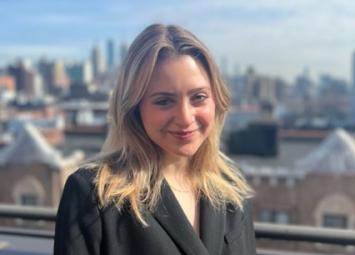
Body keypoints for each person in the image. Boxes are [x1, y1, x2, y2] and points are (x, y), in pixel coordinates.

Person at [54, 23, 256, 255]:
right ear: (134, 108)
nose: (185, 117)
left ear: (216, 100)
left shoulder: (231, 186)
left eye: (198, 97)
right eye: (163, 101)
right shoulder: (95, 196)